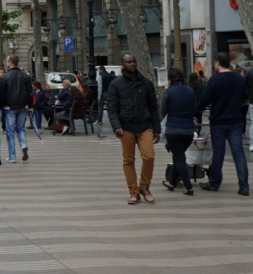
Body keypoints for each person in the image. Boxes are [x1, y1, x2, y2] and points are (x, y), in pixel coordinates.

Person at [106, 53, 161, 205]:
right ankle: (133, 192)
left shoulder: (147, 84)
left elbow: (153, 108)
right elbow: (112, 109)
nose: (132, 64)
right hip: (126, 127)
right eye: (129, 62)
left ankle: (144, 187)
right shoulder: (115, 85)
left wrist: (157, 129)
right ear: (122, 65)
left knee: (149, 156)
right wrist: (116, 126)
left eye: (134, 61)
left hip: (144, 126)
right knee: (128, 160)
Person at [196, 53, 249, 196]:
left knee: (218, 154)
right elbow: (244, 96)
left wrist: (198, 108)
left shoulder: (214, 80)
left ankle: (214, 183)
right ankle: (244, 186)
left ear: (218, 63)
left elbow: (205, 99)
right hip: (236, 121)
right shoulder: (239, 78)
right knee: (238, 154)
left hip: (218, 122)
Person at [160, 67, 197, 196]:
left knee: (180, 158)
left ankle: (188, 187)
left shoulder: (168, 92)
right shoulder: (191, 91)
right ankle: (172, 182)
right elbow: (194, 110)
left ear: (170, 79)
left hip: (173, 130)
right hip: (188, 131)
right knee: (178, 155)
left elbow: (163, 112)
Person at [1, 54, 31, 163]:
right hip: (23, 106)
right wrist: (30, 106)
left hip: (10, 106)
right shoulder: (25, 77)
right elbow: (30, 93)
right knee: (20, 128)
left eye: (7, 61)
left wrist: (1, 106)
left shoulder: (5, 77)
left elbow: (2, 94)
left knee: (10, 131)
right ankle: (23, 146)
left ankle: (12, 156)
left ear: (10, 63)